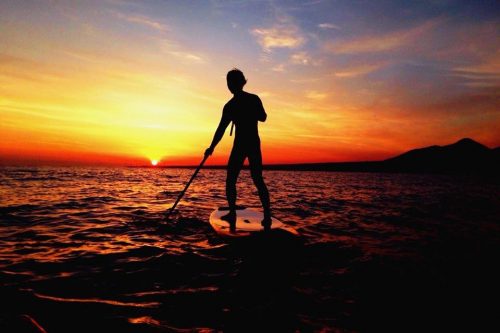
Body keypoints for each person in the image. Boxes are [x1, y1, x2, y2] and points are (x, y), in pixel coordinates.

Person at [205, 68, 272, 229]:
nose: (230, 85)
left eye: (232, 82)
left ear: (240, 82)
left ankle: (267, 215)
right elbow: (221, 129)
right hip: (243, 145)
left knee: (256, 178)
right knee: (232, 179)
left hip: (250, 143)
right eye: (229, 82)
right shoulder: (230, 106)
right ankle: (234, 213)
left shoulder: (247, 101)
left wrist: (249, 112)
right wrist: (211, 147)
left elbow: (263, 117)